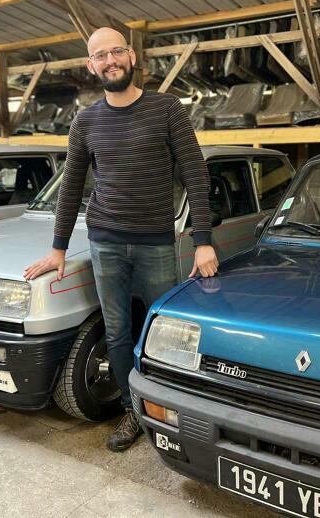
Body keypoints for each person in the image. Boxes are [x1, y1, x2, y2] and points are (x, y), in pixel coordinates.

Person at [24, 27, 219, 451]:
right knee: (117, 332)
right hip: (105, 242)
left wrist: (203, 239)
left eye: (116, 51)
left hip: (155, 243)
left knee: (165, 329)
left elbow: (194, 173)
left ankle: (170, 410)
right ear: (91, 65)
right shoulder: (86, 120)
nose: (110, 60)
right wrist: (58, 248)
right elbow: (71, 186)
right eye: (100, 55)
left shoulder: (167, 108)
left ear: (131, 56)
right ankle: (133, 411)